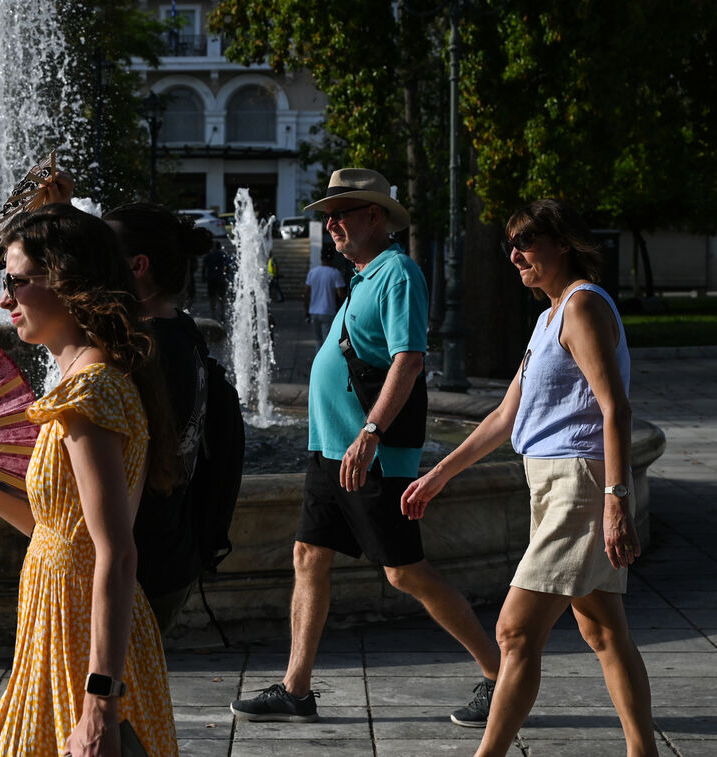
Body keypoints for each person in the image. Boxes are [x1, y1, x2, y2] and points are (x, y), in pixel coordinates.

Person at [230, 168, 500, 725]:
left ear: (374, 216)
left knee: (404, 571)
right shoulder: (361, 275)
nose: (331, 225)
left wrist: (370, 434)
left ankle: (501, 675)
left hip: (372, 454)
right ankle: (296, 689)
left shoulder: (397, 272)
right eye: (327, 215)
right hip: (331, 450)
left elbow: (409, 359)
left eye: (342, 213)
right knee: (309, 556)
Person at [0, 203, 179, 756]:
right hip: (56, 629)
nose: (5, 299)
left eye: (18, 282)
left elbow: (117, 553)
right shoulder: (90, 385)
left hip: (82, 640)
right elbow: (56, 529)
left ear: (68, 282)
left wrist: (100, 700)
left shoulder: (89, 395)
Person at [400, 199, 656, 756]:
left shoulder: (583, 306)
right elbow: (503, 416)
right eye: (509, 245)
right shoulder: (548, 317)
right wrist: (439, 473)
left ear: (562, 243)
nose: (515, 254)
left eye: (526, 242)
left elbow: (616, 409)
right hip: (554, 482)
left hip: (581, 484)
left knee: (514, 632)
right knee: (603, 632)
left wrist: (615, 499)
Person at [103, 202, 214, 633]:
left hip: (141, 565)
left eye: (103, 252)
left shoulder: (145, 350)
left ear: (137, 265)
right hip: (169, 553)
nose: (95, 264)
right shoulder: (180, 329)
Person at [304, 248, 347, 345]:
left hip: (314, 311)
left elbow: (306, 293)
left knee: (318, 340)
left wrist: (306, 310)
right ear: (332, 260)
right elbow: (340, 293)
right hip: (328, 311)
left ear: (321, 259)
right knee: (326, 341)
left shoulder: (312, 272)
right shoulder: (335, 273)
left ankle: (317, 359)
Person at [202, 241, 231, 321]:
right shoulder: (223, 255)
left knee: (212, 296)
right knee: (221, 296)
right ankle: (222, 314)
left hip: (211, 278)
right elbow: (227, 266)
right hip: (220, 278)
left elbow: (204, 267)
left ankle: (213, 313)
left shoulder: (209, 255)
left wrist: (203, 277)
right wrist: (226, 275)